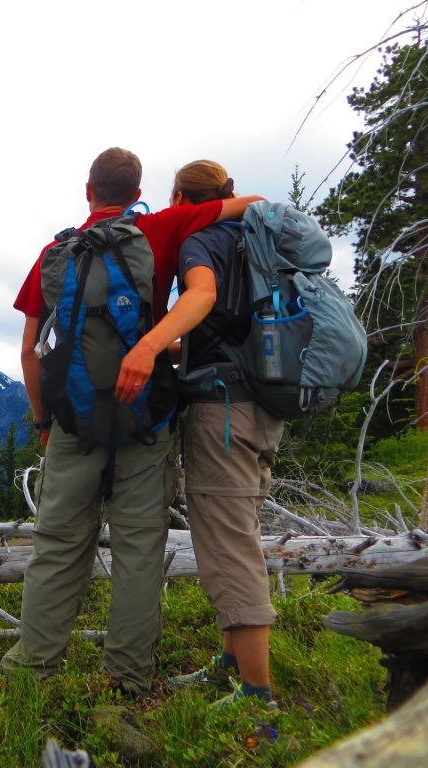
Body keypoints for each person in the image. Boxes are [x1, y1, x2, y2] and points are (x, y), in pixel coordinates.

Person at [2, 148, 262, 695]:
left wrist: (45, 422)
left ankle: (33, 668)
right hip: (146, 419)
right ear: (139, 189)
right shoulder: (162, 229)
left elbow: (29, 350)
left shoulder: (56, 251)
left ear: (88, 190)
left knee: (56, 547)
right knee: (139, 551)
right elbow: (254, 205)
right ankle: (129, 680)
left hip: (73, 424)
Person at [160, 160, 283, 709]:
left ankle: (259, 695)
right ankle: (230, 664)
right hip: (264, 404)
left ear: (183, 196)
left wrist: (148, 344)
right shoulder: (258, 243)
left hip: (223, 413)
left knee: (230, 548)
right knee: (239, 532)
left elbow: (203, 297)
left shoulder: (200, 241)